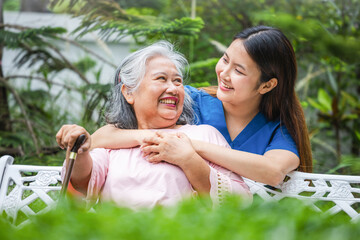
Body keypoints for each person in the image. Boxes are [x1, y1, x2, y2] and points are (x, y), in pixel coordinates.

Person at [90, 25, 313, 187]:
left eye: (239, 70)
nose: (224, 74)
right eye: (225, 60)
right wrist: (154, 137)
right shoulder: (189, 100)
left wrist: (189, 147)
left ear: (266, 85)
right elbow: (100, 138)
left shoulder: (279, 128)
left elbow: (273, 172)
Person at [56, 41, 251, 209]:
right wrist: (79, 151)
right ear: (129, 93)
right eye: (161, 79)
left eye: (177, 81)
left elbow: (240, 202)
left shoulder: (203, 135)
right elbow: (82, 184)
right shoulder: (113, 142)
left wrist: (189, 160)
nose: (173, 88)